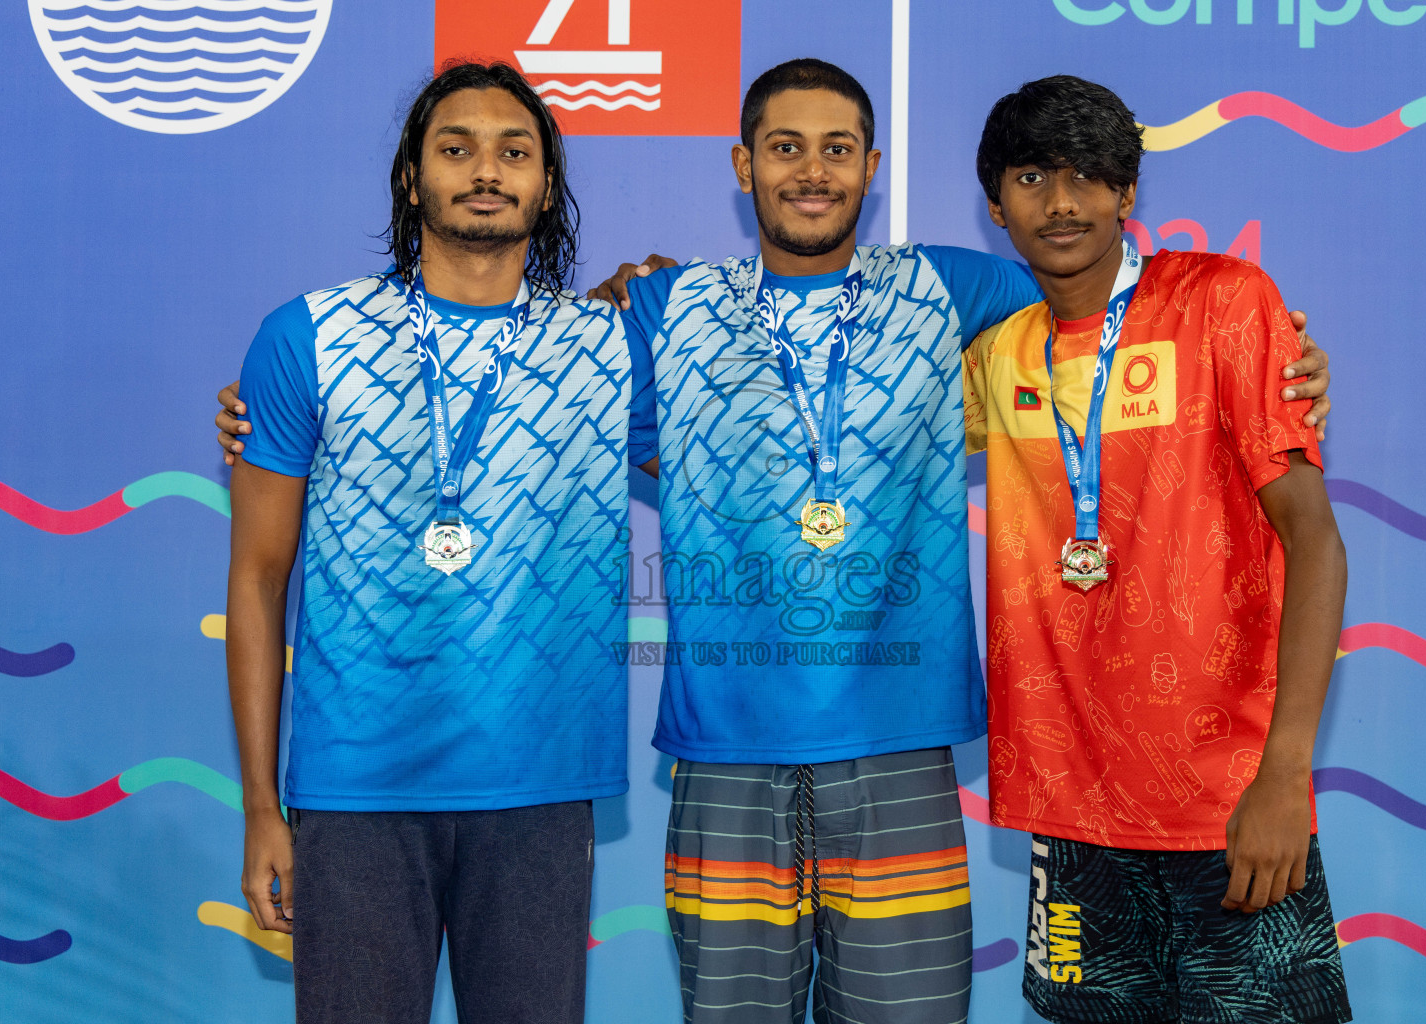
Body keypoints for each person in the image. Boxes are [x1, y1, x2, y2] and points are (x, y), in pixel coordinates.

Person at [218, 58, 1333, 1024]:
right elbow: (497, 368)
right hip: (719, 761)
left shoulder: (951, 287)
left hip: (898, 749)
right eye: (786, 147)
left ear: (872, 167)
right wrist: (269, 414)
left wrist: (1279, 356)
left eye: (839, 148)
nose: (813, 169)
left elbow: (1100, 307)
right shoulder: (655, 313)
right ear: (742, 167)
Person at [225, 61, 634, 1024]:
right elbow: (256, 575)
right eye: (456, 149)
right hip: (354, 789)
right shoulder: (304, 339)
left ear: (546, 182)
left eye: (514, 151)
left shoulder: (613, 345)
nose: (485, 170)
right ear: (413, 178)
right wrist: (258, 808)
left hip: (539, 785)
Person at [964, 76, 1350, 1024]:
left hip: (1229, 804)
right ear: (996, 205)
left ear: (1128, 193)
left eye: (1090, 176)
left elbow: (1316, 542)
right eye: (1032, 177)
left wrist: (1285, 773)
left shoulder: (1225, 301)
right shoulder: (995, 355)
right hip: (1072, 814)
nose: (1062, 202)